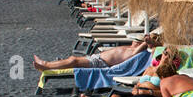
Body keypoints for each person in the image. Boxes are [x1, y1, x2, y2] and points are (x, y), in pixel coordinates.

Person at [78, 53, 173, 97]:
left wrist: (148, 92)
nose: (165, 55)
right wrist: (136, 87)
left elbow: (166, 92)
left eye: (167, 55)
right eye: (164, 53)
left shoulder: (169, 72)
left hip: (151, 94)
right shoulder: (149, 69)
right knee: (117, 94)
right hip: (139, 90)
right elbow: (139, 81)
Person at [33, 33, 162, 72]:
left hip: (101, 63)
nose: (133, 42)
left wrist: (147, 42)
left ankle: (46, 65)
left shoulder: (136, 52)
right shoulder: (131, 48)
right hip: (98, 58)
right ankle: (48, 64)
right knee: (72, 59)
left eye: (136, 40)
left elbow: (137, 50)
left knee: (73, 60)